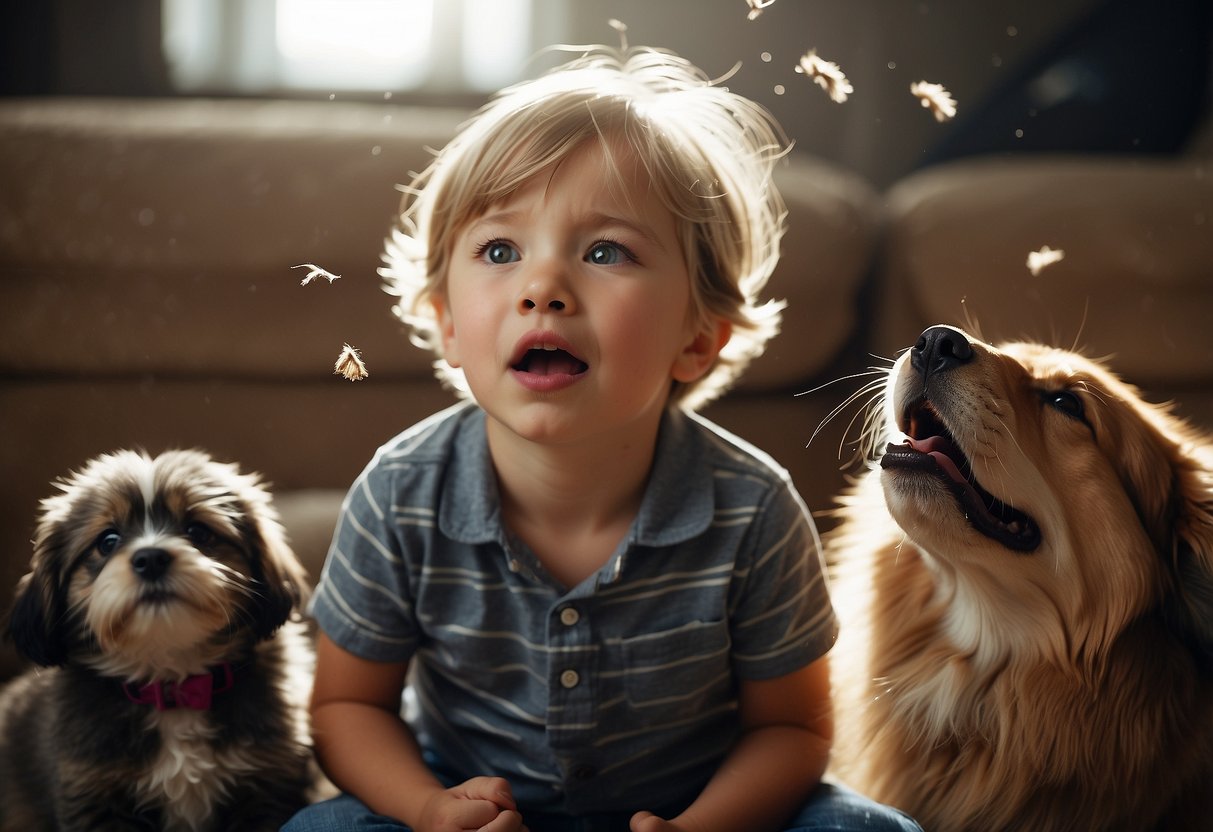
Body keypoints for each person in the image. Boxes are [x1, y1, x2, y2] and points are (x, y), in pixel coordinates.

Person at [284, 42, 920, 832]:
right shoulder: (400, 490)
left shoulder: (751, 509)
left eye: (605, 252)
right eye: (499, 251)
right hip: (465, 802)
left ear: (698, 336)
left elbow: (789, 729)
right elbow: (348, 705)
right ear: (447, 323)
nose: (542, 288)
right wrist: (428, 809)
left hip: (692, 805)